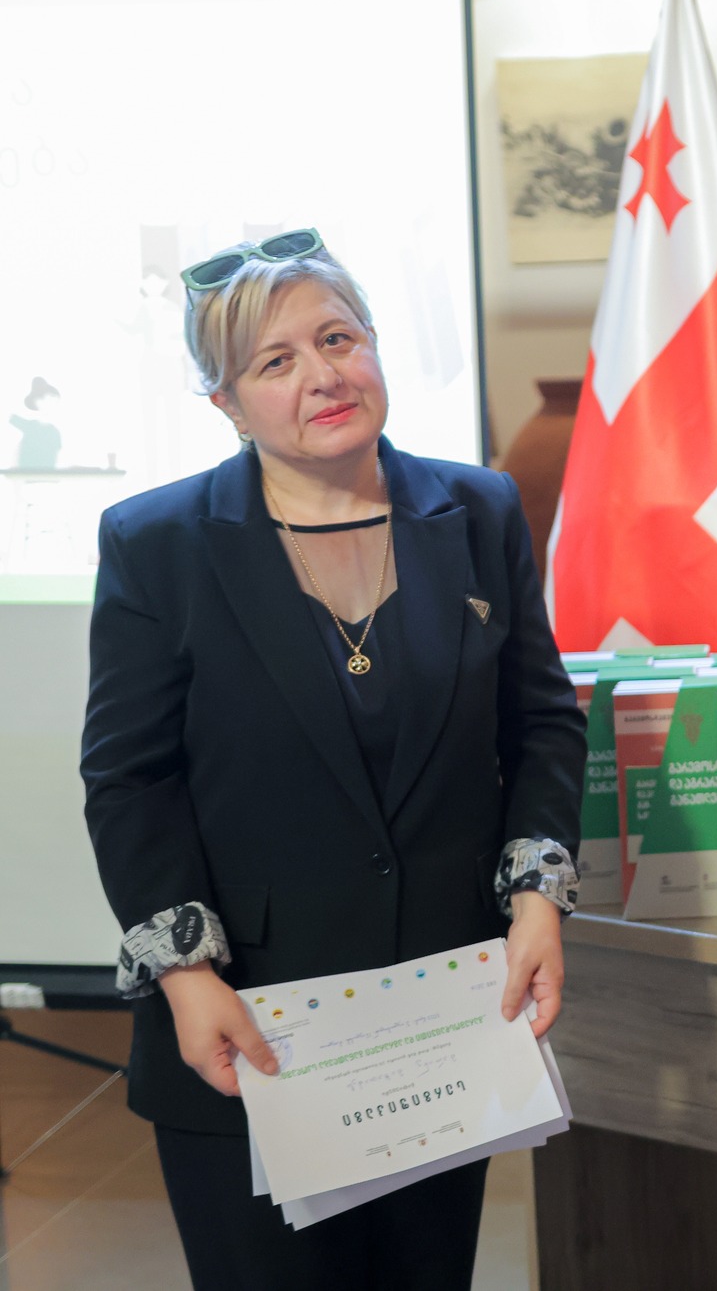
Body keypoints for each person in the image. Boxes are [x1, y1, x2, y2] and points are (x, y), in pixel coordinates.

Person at [80, 230, 586, 1291]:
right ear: (226, 402)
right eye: (276, 360)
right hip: (253, 1027)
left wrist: (538, 901)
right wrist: (185, 975)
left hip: (444, 1020)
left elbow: (540, 723)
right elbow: (130, 780)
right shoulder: (157, 543)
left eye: (339, 338)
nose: (323, 375)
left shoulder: (478, 510)